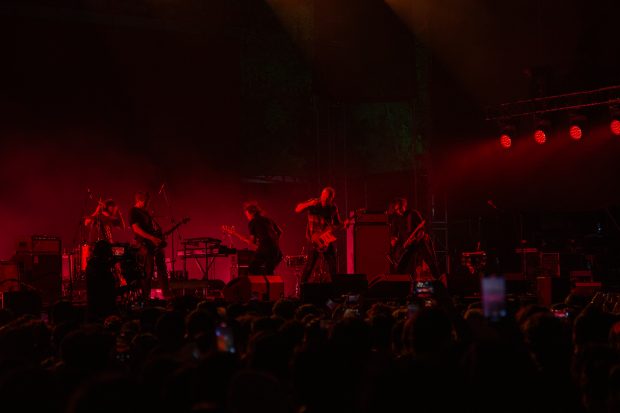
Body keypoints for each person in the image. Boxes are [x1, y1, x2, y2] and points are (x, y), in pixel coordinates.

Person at [295, 187, 342, 283]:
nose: (325, 199)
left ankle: (336, 290)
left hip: (326, 240)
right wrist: (308, 204)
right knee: (309, 266)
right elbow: (297, 209)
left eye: (328, 198)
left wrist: (344, 224)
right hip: (313, 239)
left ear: (331, 199)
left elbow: (337, 224)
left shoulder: (333, 208)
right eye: (323, 196)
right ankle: (303, 288)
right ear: (321, 195)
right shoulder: (314, 203)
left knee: (332, 265)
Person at [129, 191, 170, 299]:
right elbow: (136, 229)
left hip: (153, 243)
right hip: (144, 244)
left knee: (162, 269)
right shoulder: (134, 212)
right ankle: (145, 296)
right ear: (139, 201)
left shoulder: (145, 212)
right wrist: (152, 238)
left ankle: (167, 294)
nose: (148, 204)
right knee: (148, 271)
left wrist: (158, 236)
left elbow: (151, 228)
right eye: (146, 202)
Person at [387, 197, 440, 279]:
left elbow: (422, 229)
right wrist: (393, 242)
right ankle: (398, 281)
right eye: (396, 209)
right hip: (408, 245)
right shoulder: (396, 219)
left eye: (400, 208)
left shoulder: (413, 213)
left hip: (419, 242)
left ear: (404, 206)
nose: (399, 211)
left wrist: (418, 237)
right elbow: (395, 235)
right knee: (402, 264)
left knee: (430, 261)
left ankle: (438, 279)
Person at [244, 202, 283, 275]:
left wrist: (248, 242)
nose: (247, 217)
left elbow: (252, 241)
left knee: (252, 269)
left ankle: (257, 285)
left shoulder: (253, 222)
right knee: (269, 271)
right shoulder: (268, 219)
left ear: (251, 213)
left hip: (265, 248)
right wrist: (274, 241)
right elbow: (280, 232)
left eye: (247, 215)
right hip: (276, 251)